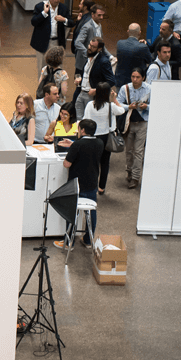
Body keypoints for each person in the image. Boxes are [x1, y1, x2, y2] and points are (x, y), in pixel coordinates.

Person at [55, 119, 103, 248]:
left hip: (77, 184)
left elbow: (66, 164)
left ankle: (69, 241)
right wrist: (74, 144)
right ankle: (88, 240)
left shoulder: (78, 145)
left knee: (72, 211)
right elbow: (87, 150)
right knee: (91, 211)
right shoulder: (99, 143)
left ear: (82, 130)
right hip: (92, 182)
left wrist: (73, 147)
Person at [82, 84, 126, 194]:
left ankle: (90, 185)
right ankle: (101, 187)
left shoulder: (90, 105)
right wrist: (114, 99)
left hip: (91, 137)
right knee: (105, 163)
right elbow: (122, 111)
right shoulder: (110, 106)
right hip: (106, 137)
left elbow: (85, 119)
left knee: (92, 162)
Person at [117, 69, 151, 189]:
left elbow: (156, 106)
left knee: (138, 151)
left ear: (143, 78)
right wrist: (128, 107)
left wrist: (146, 106)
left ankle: (136, 177)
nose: (134, 80)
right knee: (129, 150)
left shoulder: (149, 89)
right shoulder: (125, 88)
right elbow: (118, 103)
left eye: (137, 77)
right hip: (129, 122)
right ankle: (129, 171)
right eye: (133, 76)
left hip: (143, 122)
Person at [30, 0, 70, 70]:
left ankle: (56, 83)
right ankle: (43, 83)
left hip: (57, 43)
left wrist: (64, 20)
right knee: (43, 69)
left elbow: (71, 23)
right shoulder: (40, 6)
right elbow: (34, 22)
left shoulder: (63, 8)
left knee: (58, 69)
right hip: (43, 43)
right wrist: (44, 13)